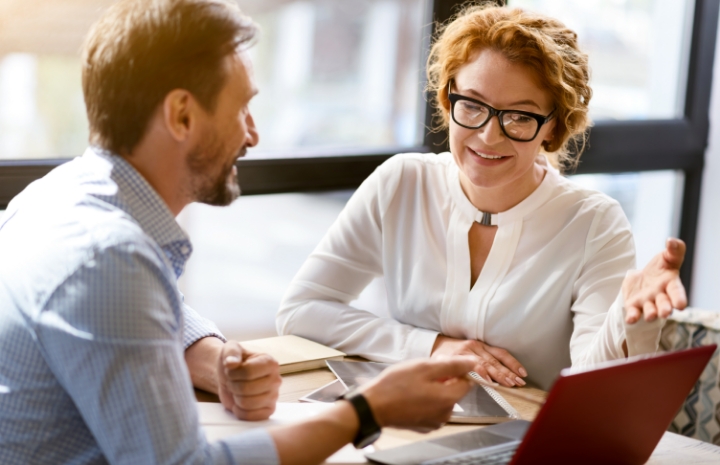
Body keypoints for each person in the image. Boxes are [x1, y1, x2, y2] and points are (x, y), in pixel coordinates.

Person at [0, 0, 476, 463]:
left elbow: (134, 304)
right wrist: (366, 411)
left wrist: (213, 358)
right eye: (242, 107)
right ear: (182, 115)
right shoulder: (110, 260)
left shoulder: (55, 197)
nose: (252, 134)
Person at [276, 3, 688, 391]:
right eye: (473, 105)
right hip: (407, 420)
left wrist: (629, 319)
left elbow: (592, 389)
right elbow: (301, 310)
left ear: (551, 128)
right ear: (448, 96)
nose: (489, 136)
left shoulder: (595, 224)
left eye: (519, 116)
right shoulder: (401, 182)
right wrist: (435, 348)